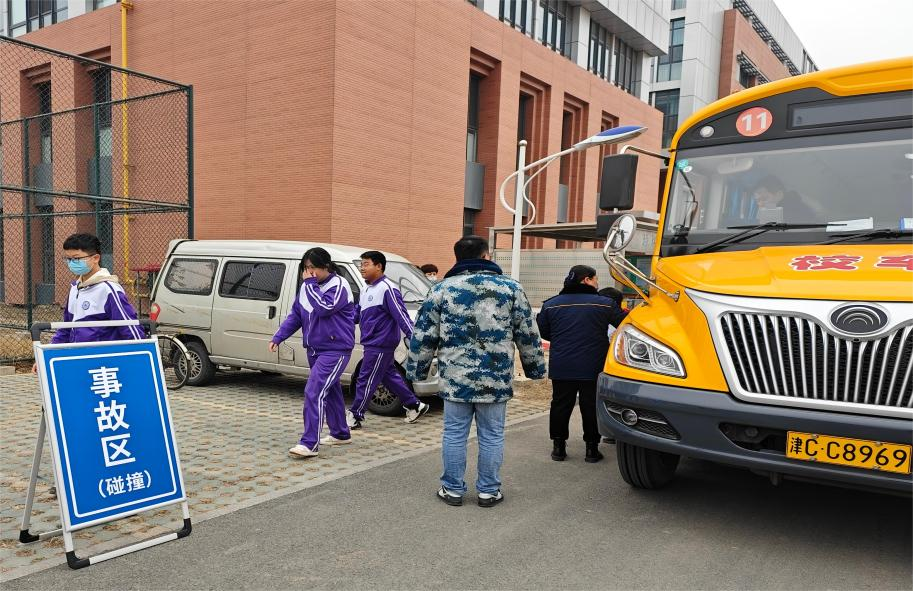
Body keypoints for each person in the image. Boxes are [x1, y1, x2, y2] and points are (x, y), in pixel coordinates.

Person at [407, 236, 545, 508]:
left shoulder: (441, 289)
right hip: (495, 379)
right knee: (492, 435)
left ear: (457, 257)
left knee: (454, 433)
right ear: (486, 255)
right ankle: (488, 491)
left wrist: (417, 371)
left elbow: (423, 335)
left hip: (456, 379)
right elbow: (528, 333)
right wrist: (535, 368)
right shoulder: (510, 289)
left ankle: (452, 489)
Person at [37, 233, 143, 498]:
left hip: (103, 374)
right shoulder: (76, 288)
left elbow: (131, 330)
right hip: (76, 371)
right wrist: (47, 354)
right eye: (67, 259)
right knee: (78, 427)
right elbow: (65, 327)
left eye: (77, 259)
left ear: (95, 258)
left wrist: (141, 368)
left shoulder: (109, 290)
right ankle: (75, 481)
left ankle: (113, 481)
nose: (71, 263)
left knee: (105, 430)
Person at [536, 265, 627, 463]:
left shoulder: (551, 305)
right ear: (586, 280)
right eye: (595, 279)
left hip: (562, 365)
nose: (597, 283)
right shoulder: (605, 304)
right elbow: (625, 324)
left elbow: (545, 333)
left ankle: (558, 448)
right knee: (590, 406)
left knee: (560, 405)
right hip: (593, 365)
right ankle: (592, 450)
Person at [270, 247, 355, 459]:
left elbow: (325, 308)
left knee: (314, 391)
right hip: (315, 349)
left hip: (336, 349)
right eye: (306, 268)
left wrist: (308, 285)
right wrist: (279, 337)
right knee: (332, 390)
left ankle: (309, 443)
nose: (310, 272)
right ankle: (340, 433)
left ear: (326, 266)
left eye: (313, 267)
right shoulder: (307, 288)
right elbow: (296, 315)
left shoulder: (339, 285)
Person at [347, 250, 430, 429]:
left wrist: (414, 338)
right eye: (361, 264)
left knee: (366, 378)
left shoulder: (388, 288)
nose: (362, 268)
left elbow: (402, 315)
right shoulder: (365, 289)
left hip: (381, 343)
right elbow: (356, 315)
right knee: (388, 376)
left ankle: (355, 415)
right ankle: (415, 405)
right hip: (371, 342)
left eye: (366, 264)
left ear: (379, 266)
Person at [751, 175, 815, 222]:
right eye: (758, 200)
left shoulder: (793, 214)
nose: (760, 204)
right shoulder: (795, 206)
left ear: (779, 195)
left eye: (764, 199)